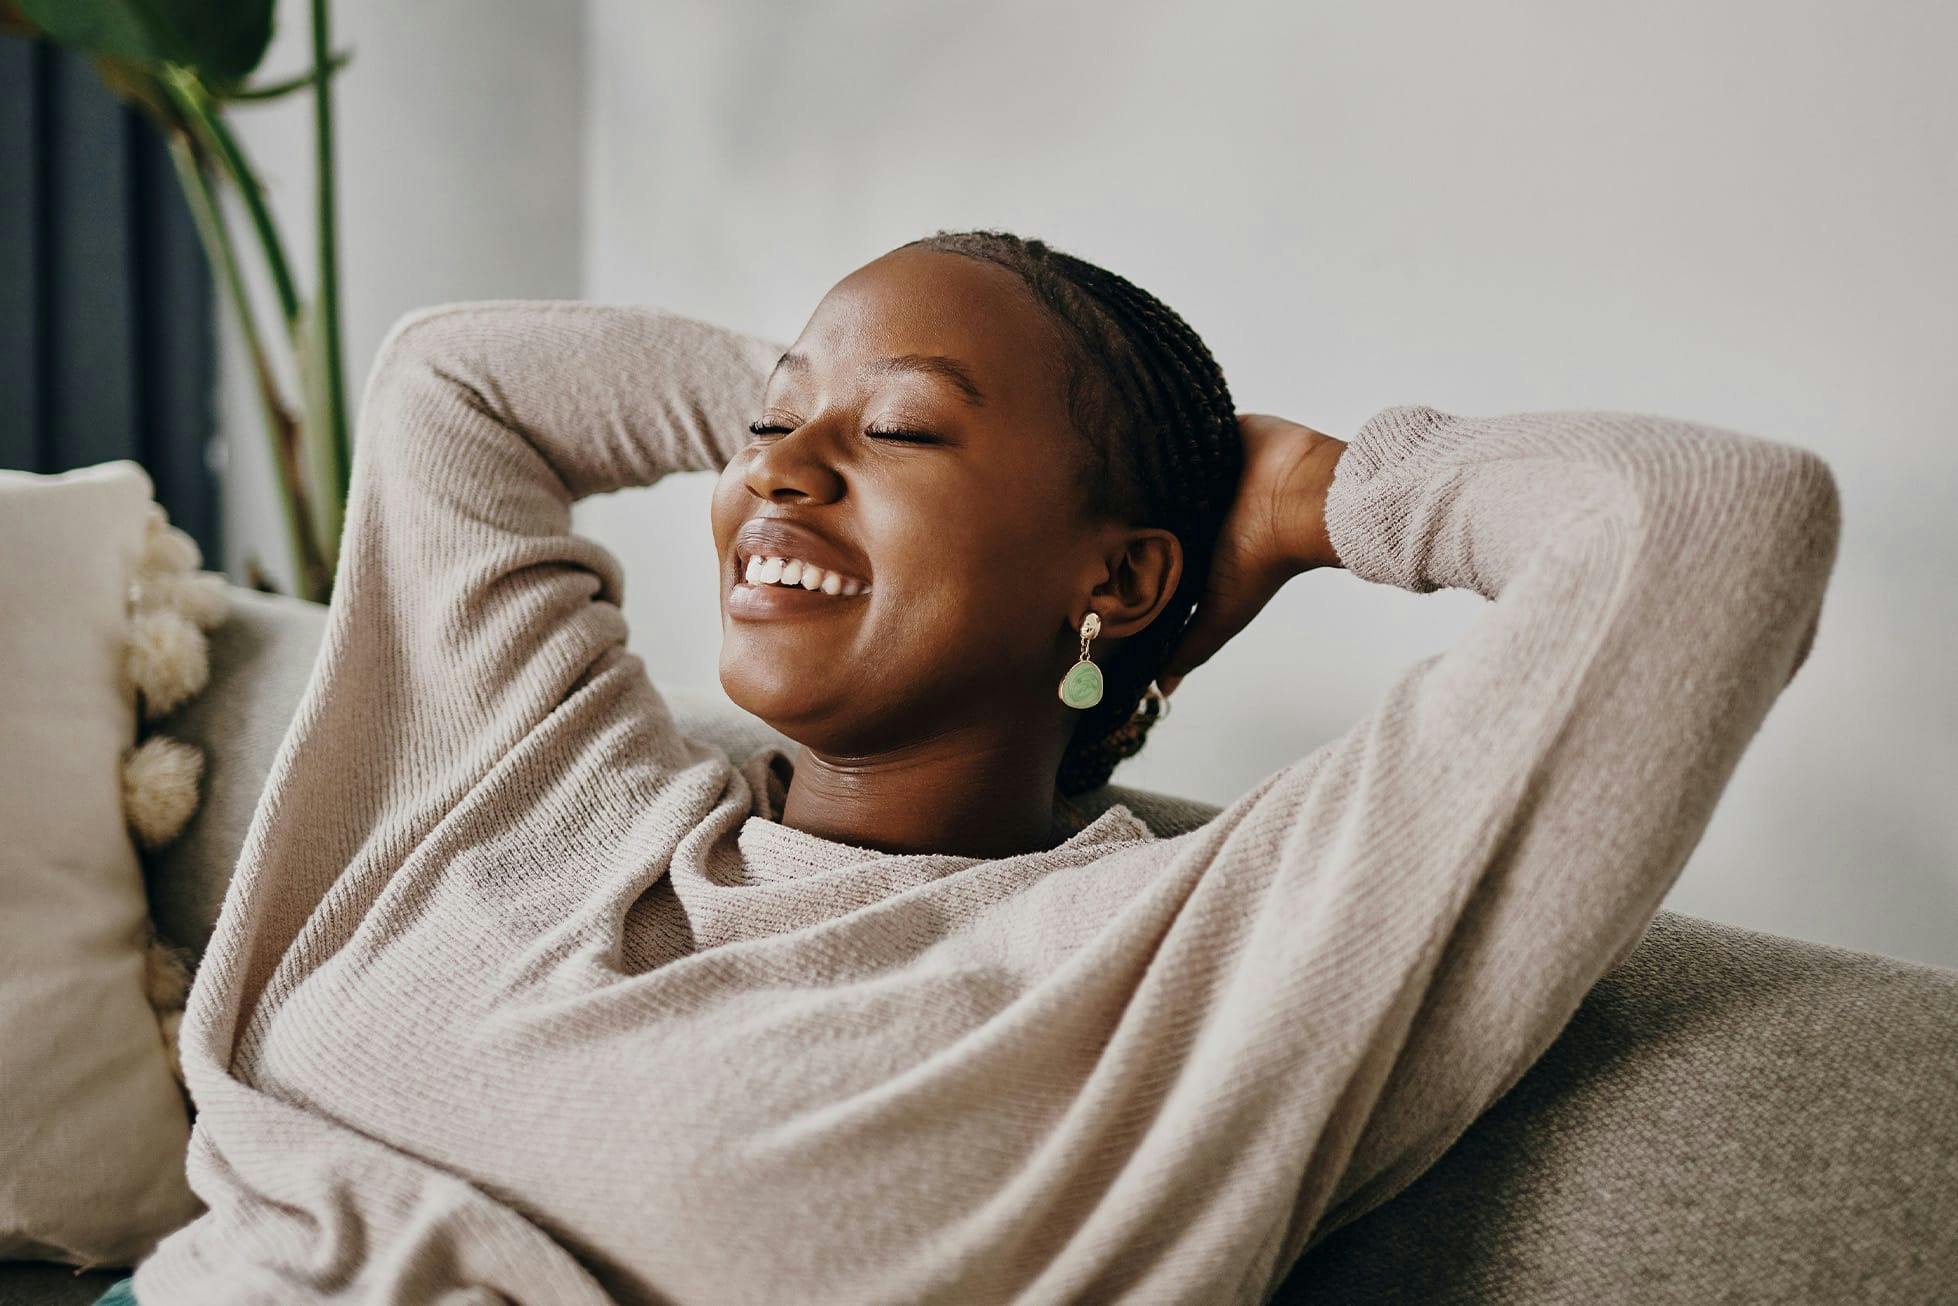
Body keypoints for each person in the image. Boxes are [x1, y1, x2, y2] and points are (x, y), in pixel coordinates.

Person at [114, 230, 1839, 1304]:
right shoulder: (552, 781)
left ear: (1123, 575)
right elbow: (456, 383)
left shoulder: (1188, 971)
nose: (775, 475)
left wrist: (1306, 496)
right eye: (762, 432)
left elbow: (1706, 526)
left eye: (909, 432)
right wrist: (827, 407)